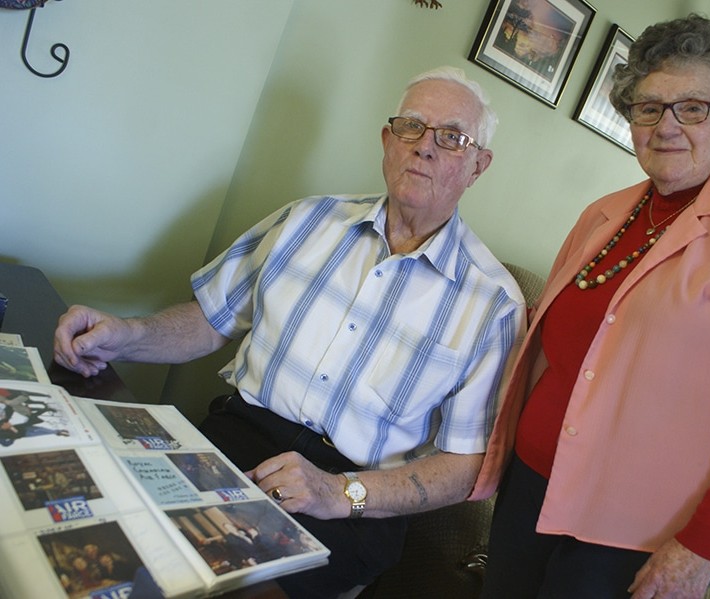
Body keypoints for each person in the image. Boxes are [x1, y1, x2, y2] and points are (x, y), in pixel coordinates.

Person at [53, 66, 526, 598]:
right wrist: (125, 334)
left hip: (354, 504)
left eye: (453, 138)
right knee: (95, 541)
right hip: (234, 440)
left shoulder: (494, 305)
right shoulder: (306, 221)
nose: (425, 148)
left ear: (478, 166)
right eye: (411, 126)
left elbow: (466, 467)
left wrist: (339, 491)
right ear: (387, 140)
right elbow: (211, 318)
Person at [473, 14, 710, 599]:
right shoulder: (606, 212)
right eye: (648, 108)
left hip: (640, 532)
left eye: (693, 108)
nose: (666, 125)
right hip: (530, 488)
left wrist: (703, 548)